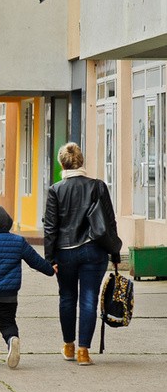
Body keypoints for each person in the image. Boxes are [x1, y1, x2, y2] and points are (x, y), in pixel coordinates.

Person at [43, 142, 122, 366]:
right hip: (94, 250)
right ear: (82, 161)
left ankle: (68, 346)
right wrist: (115, 252)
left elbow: (50, 228)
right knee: (89, 300)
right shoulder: (98, 186)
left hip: (65, 253)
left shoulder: (56, 190)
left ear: (62, 163)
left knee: (67, 297)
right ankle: (83, 352)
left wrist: (50, 259)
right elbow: (109, 221)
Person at [0, 205, 55, 368]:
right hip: (8, 295)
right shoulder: (18, 242)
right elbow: (34, 260)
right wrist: (50, 270)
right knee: (7, 322)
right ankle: (11, 339)